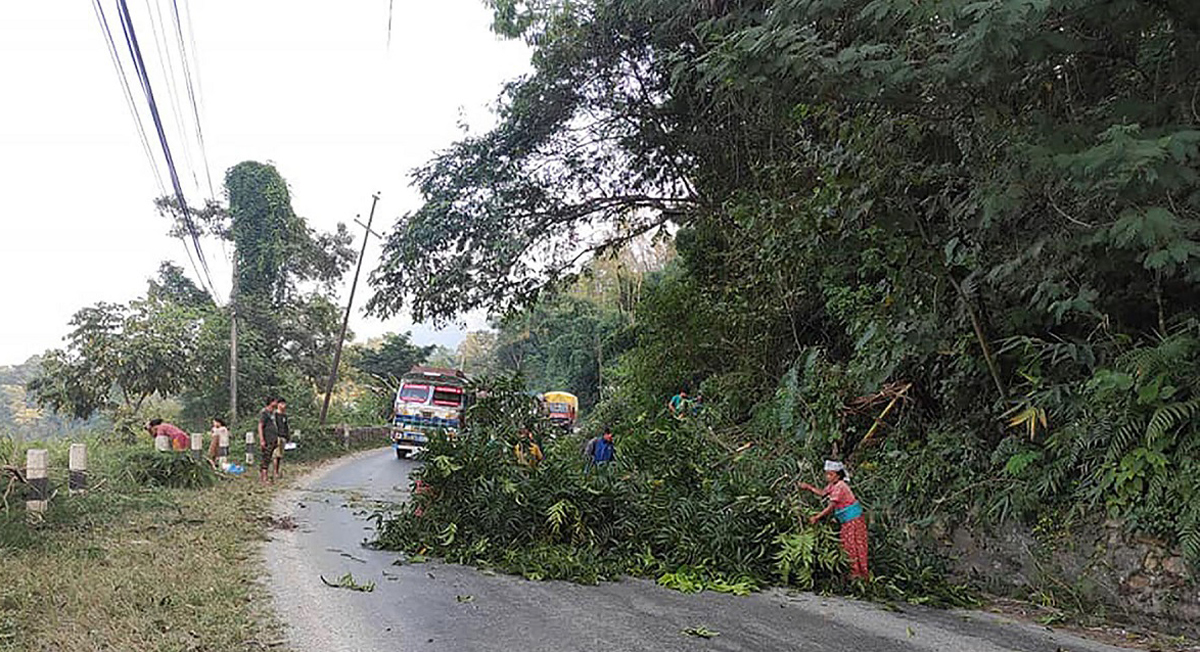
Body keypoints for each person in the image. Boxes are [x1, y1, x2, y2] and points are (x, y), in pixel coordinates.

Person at [799, 460, 869, 580]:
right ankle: (853, 573)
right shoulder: (833, 485)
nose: (827, 477)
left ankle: (858, 574)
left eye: (830, 474)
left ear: (838, 475)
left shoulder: (841, 486)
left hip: (853, 520)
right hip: (847, 520)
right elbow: (822, 493)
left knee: (853, 545)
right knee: (848, 544)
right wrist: (808, 487)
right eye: (827, 474)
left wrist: (816, 517)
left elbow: (830, 507)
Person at [257, 397, 279, 483]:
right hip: (267, 439)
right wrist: (262, 439)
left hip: (273, 438)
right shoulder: (265, 413)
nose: (277, 403)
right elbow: (260, 425)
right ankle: (264, 478)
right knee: (265, 457)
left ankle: (267, 476)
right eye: (275, 401)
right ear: (271, 402)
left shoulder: (273, 413)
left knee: (270, 457)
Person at [272, 398, 290, 478]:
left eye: (284, 404)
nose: (283, 406)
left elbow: (286, 427)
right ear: (278, 405)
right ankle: (275, 472)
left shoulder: (284, 416)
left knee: (280, 456)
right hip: (277, 436)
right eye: (281, 404)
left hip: (283, 437)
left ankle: (278, 471)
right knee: (276, 455)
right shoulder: (275, 415)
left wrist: (288, 436)